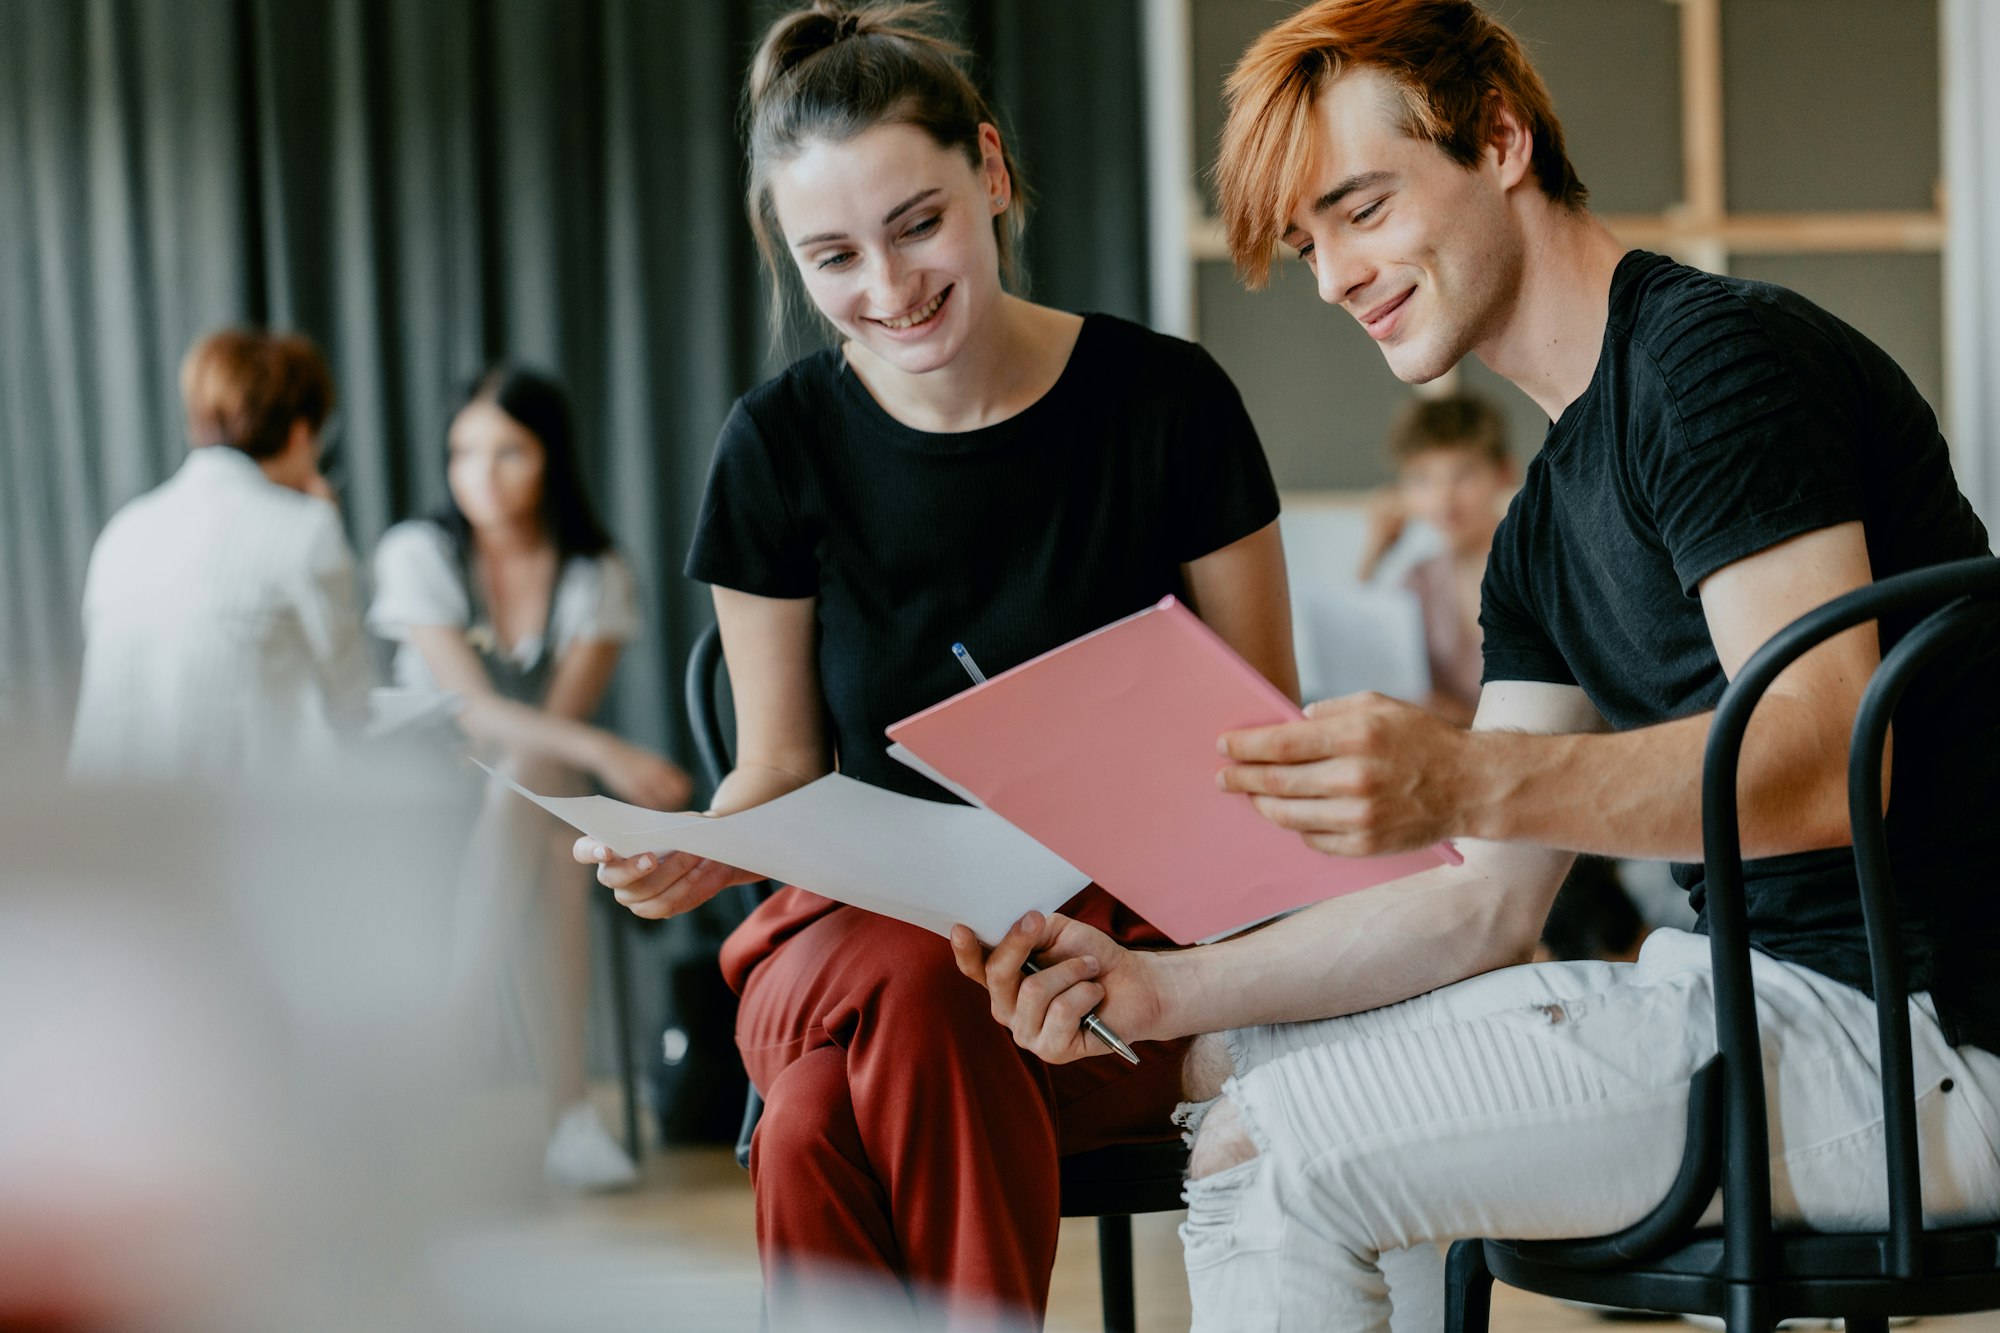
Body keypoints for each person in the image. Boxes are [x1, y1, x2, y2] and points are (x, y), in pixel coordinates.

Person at [951, 3, 2000, 1331]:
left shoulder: (1715, 364)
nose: (1333, 274)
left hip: (1918, 1043)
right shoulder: (1543, 527)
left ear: (1499, 138)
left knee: (1274, 1156)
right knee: (1232, 1061)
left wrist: (1463, 777)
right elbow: (1480, 910)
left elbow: (1821, 763)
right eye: (1308, 238)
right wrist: (1163, 987)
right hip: (1752, 997)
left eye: (1363, 207)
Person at [576, 3, 1296, 1326]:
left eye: (919, 223)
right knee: (916, 970)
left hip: (1111, 962)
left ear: (993, 171)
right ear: (789, 258)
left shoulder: (1169, 405)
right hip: (844, 949)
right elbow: (781, 773)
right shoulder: (776, 445)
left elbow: (1271, 742)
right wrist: (698, 848)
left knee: (808, 1123)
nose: (889, 288)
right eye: (832, 256)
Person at [368, 366, 691, 1191]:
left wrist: (577, 749)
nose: (479, 472)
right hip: (413, 792)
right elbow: (473, 712)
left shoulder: (596, 574)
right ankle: (566, 1116)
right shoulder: (418, 552)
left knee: (548, 831)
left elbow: (541, 733)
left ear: (551, 457)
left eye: (507, 451)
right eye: (463, 451)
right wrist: (609, 752)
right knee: (546, 809)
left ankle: (464, 1056)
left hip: (520, 798)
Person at [69, 328, 371, 782]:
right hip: (230, 829)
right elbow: (352, 702)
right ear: (301, 433)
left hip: (99, 822)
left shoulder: (124, 528)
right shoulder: (306, 530)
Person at [1355, 394, 1513, 724]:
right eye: (1422, 480)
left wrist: (1466, 718)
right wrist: (1374, 552)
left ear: (1502, 473)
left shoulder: (1539, 566)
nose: (1444, 499)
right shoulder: (1419, 581)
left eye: (1463, 474)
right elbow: (1361, 658)